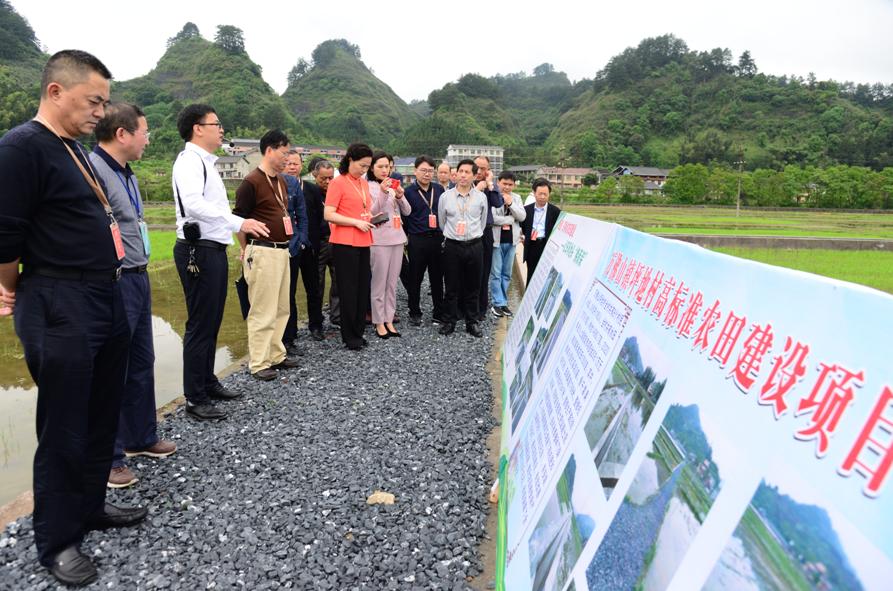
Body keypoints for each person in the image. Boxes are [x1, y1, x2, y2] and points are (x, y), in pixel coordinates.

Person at [0, 49, 147, 587]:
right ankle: (57, 540)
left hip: (104, 297)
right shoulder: (21, 149)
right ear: (56, 92)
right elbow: (6, 238)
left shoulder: (74, 149)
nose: (100, 112)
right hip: (58, 302)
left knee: (100, 413)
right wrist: (10, 289)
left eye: (105, 102)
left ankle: (89, 508)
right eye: (93, 101)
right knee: (63, 425)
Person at [88, 102, 177, 490]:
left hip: (138, 276)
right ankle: (108, 458)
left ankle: (141, 436)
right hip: (115, 280)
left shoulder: (128, 173)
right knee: (111, 370)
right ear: (122, 134)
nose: (147, 139)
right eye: (144, 131)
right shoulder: (93, 171)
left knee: (142, 359)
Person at [172, 104, 269, 416]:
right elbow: (193, 204)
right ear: (198, 128)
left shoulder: (205, 162)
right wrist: (239, 222)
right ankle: (195, 398)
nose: (221, 129)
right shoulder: (189, 161)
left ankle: (207, 381)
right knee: (200, 323)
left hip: (211, 247)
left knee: (212, 320)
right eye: (216, 124)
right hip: (196, 249)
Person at [233, 129, 301, 381]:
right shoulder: (251, 181)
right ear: (270, 150)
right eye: (284, 153)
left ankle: (276, 354)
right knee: (262, 308)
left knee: (282, 306)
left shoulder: (281, 180)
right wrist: (245, 249)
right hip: (261, 250)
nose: (287, 159)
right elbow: (238, 220)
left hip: (282, 250)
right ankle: (259, 362)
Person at [323, 143, 375, 350]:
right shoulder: (338, 183)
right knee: (348, 290)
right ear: (351, 160)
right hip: (344, 242)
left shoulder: (363, 184)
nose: (364, 170)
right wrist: (355, 222)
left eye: (367, 167)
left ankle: (358, 331)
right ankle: (349, 336)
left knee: (363, 288)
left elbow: (362, 208)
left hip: (364, 239)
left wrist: (370, 218)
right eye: (362, 165)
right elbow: (329, 214)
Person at [438, 159, 489, 338]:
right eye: (461, 171)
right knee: (451, 286)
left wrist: (472, 236)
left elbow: (482, 224)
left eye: (468, 172)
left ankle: (471, 322)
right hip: (452, 246)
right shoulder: (445, 197)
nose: (463, 175)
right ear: (456, 173)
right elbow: (442, 222)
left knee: (473, 286)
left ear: (474, 176)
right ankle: (449, 321)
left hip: (475, 246)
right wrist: (454, 235)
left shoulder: (481, 198)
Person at [368, 152, 410, 338]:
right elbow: (372, 212)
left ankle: (389, 319)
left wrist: (400, 195)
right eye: (380, 166)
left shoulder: (393, 186)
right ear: (372, 168)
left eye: (387, 167)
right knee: (379, 282)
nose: (385, 170)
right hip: (379, 240)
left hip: (397, 238)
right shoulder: (367, 186)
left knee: (392, 283)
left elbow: (407, 211)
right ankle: (378, 321)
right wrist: (384, 193)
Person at [282, 149, 322, 348]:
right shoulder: (277, 187)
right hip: (288, 246)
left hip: (310, 245)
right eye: (288, 163)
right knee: (288, 290)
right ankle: (291, 331)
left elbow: (320, 218)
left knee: (313, 286)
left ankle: (316, 325)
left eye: (295, 163)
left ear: (301, 166)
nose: (292, 167)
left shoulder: (312, 189)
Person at [402, 156, 446, 326]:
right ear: (415, 171)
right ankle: (414, 311)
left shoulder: (439, 189)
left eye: (430, 171)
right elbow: (405, 216)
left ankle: (438, 312)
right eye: (423, 170)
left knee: (437, 278)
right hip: (417, 240)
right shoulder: (407, 192)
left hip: (437, 239)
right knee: (415, 278)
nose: (427, 174)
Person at [489, 171, 526, 318]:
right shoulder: (493, 195)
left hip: (511, 241)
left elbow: (522, 216)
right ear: (499, 183)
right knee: (496, 273)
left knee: (507, 274)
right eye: (504, 184)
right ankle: (497, 303)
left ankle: (502, 302)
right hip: (496, 240)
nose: (507, 187)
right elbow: (492, 218)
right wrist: (510, 220)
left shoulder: (516, 198)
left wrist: (510, 204)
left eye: (510, 184)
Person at [307, 159, 339, 327]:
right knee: (317, 283)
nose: (327, 182)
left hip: (337, 240)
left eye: (330, 178)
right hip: (319, 243)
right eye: (323, 179)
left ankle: (337, 316)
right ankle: (316, 320)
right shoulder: (309, 192)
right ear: (314, 175)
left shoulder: (337, 191)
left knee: (338, 280)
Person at [473, 155, 505, 321]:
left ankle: (481, 309)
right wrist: (477, 188)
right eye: (477, 167)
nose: (479, 171)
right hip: (468, 234)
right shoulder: (465, 185)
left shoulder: (489, 187)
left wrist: (490, 184)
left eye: (483, 168)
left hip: (485, 232)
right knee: (467, 272)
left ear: (488, 170)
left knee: (484, 272)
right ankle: (465, 308)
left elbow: (498, 203)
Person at [521, 178, 562, 284]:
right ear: (534, 193)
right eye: (540, 194)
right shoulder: (526, 210)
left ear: (549, 194)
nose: (543, 197)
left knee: (546, 276)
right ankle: (528, 299)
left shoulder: (555, 211)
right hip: (532, 246)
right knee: (531, 275)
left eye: (545, 194)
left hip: (547, 246)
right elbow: (522, 226)